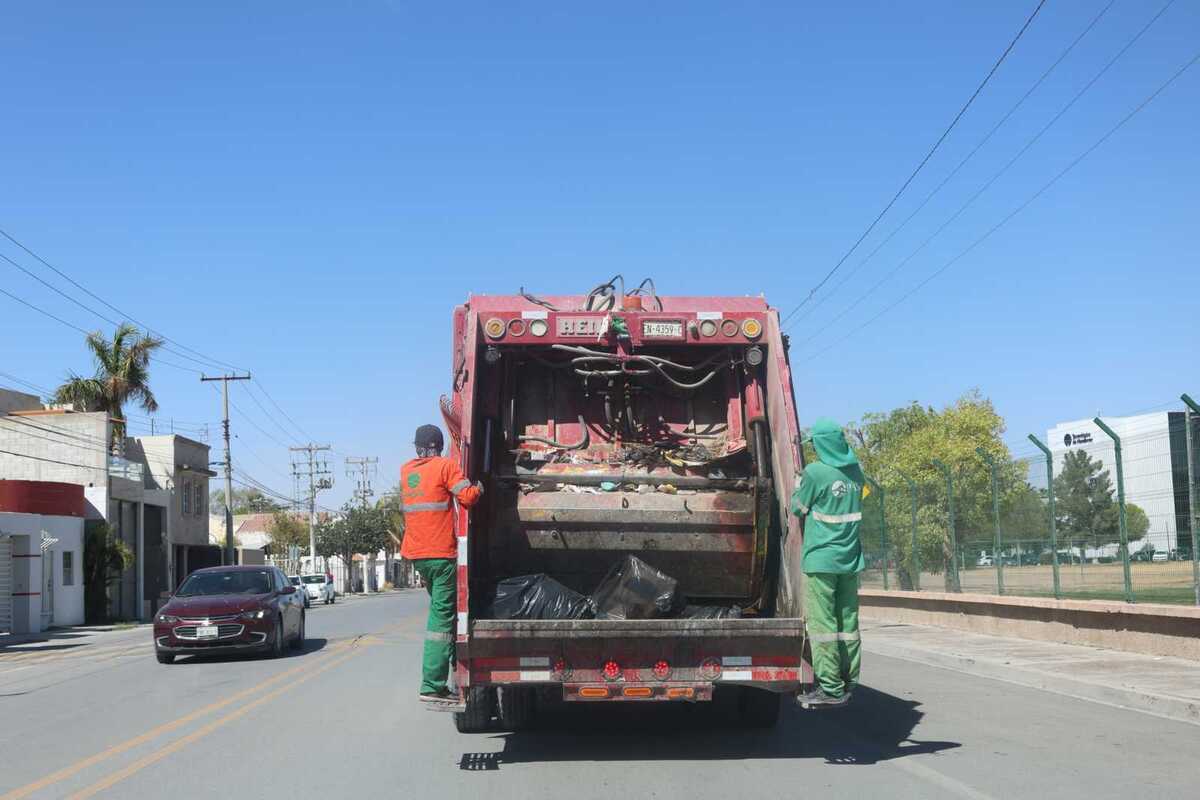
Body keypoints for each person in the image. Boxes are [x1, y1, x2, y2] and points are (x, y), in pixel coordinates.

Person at [399, 424, 482, 708]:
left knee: (444, 610)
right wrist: (479, 488)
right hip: (441, 555)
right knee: (441, 619)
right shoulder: (444, 467)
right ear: (439, 445)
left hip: (418, 555)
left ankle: (452, 668)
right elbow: (467, 497)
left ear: (417, 446)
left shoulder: (407, 471)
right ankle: (432, 685)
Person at [791, 417, 865, 709]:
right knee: (847, 624)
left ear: (821, 444)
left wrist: (798, 485)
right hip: (849, 558)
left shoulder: (815, 472)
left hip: (821, 559)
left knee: (823, 625)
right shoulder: (856, 472)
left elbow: (798, 508)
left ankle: (831, 688)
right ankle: (848, 681)